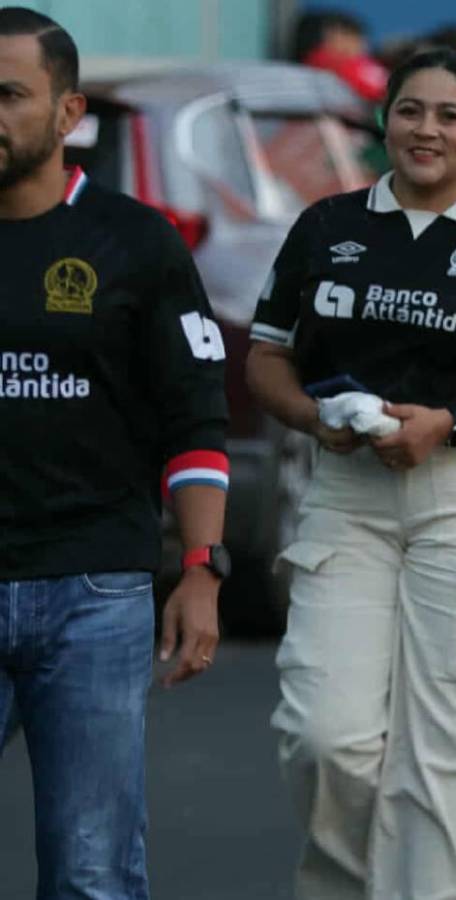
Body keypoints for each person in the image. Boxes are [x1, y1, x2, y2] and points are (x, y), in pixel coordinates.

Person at [245, 47, 456, 900]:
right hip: (349, 495)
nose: (425, 129)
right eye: (409, 111)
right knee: (326, 735)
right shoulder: (327, 226)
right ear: (383, 121)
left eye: (449, 116)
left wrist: (453, 424)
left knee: (444, 759)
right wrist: (315, 416)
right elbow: (266, 361)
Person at [0, 7, 230, 896]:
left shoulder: (136, 241)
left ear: (68, 112)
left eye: (9, 94)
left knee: (91, 872)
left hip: (93, 595)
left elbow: (194, 418)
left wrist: (202, 568)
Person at [293, 9, 388, 103]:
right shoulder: (332, 64)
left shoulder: (360, 64)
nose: (361, 44)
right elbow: (382, 92)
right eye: (347, 35)